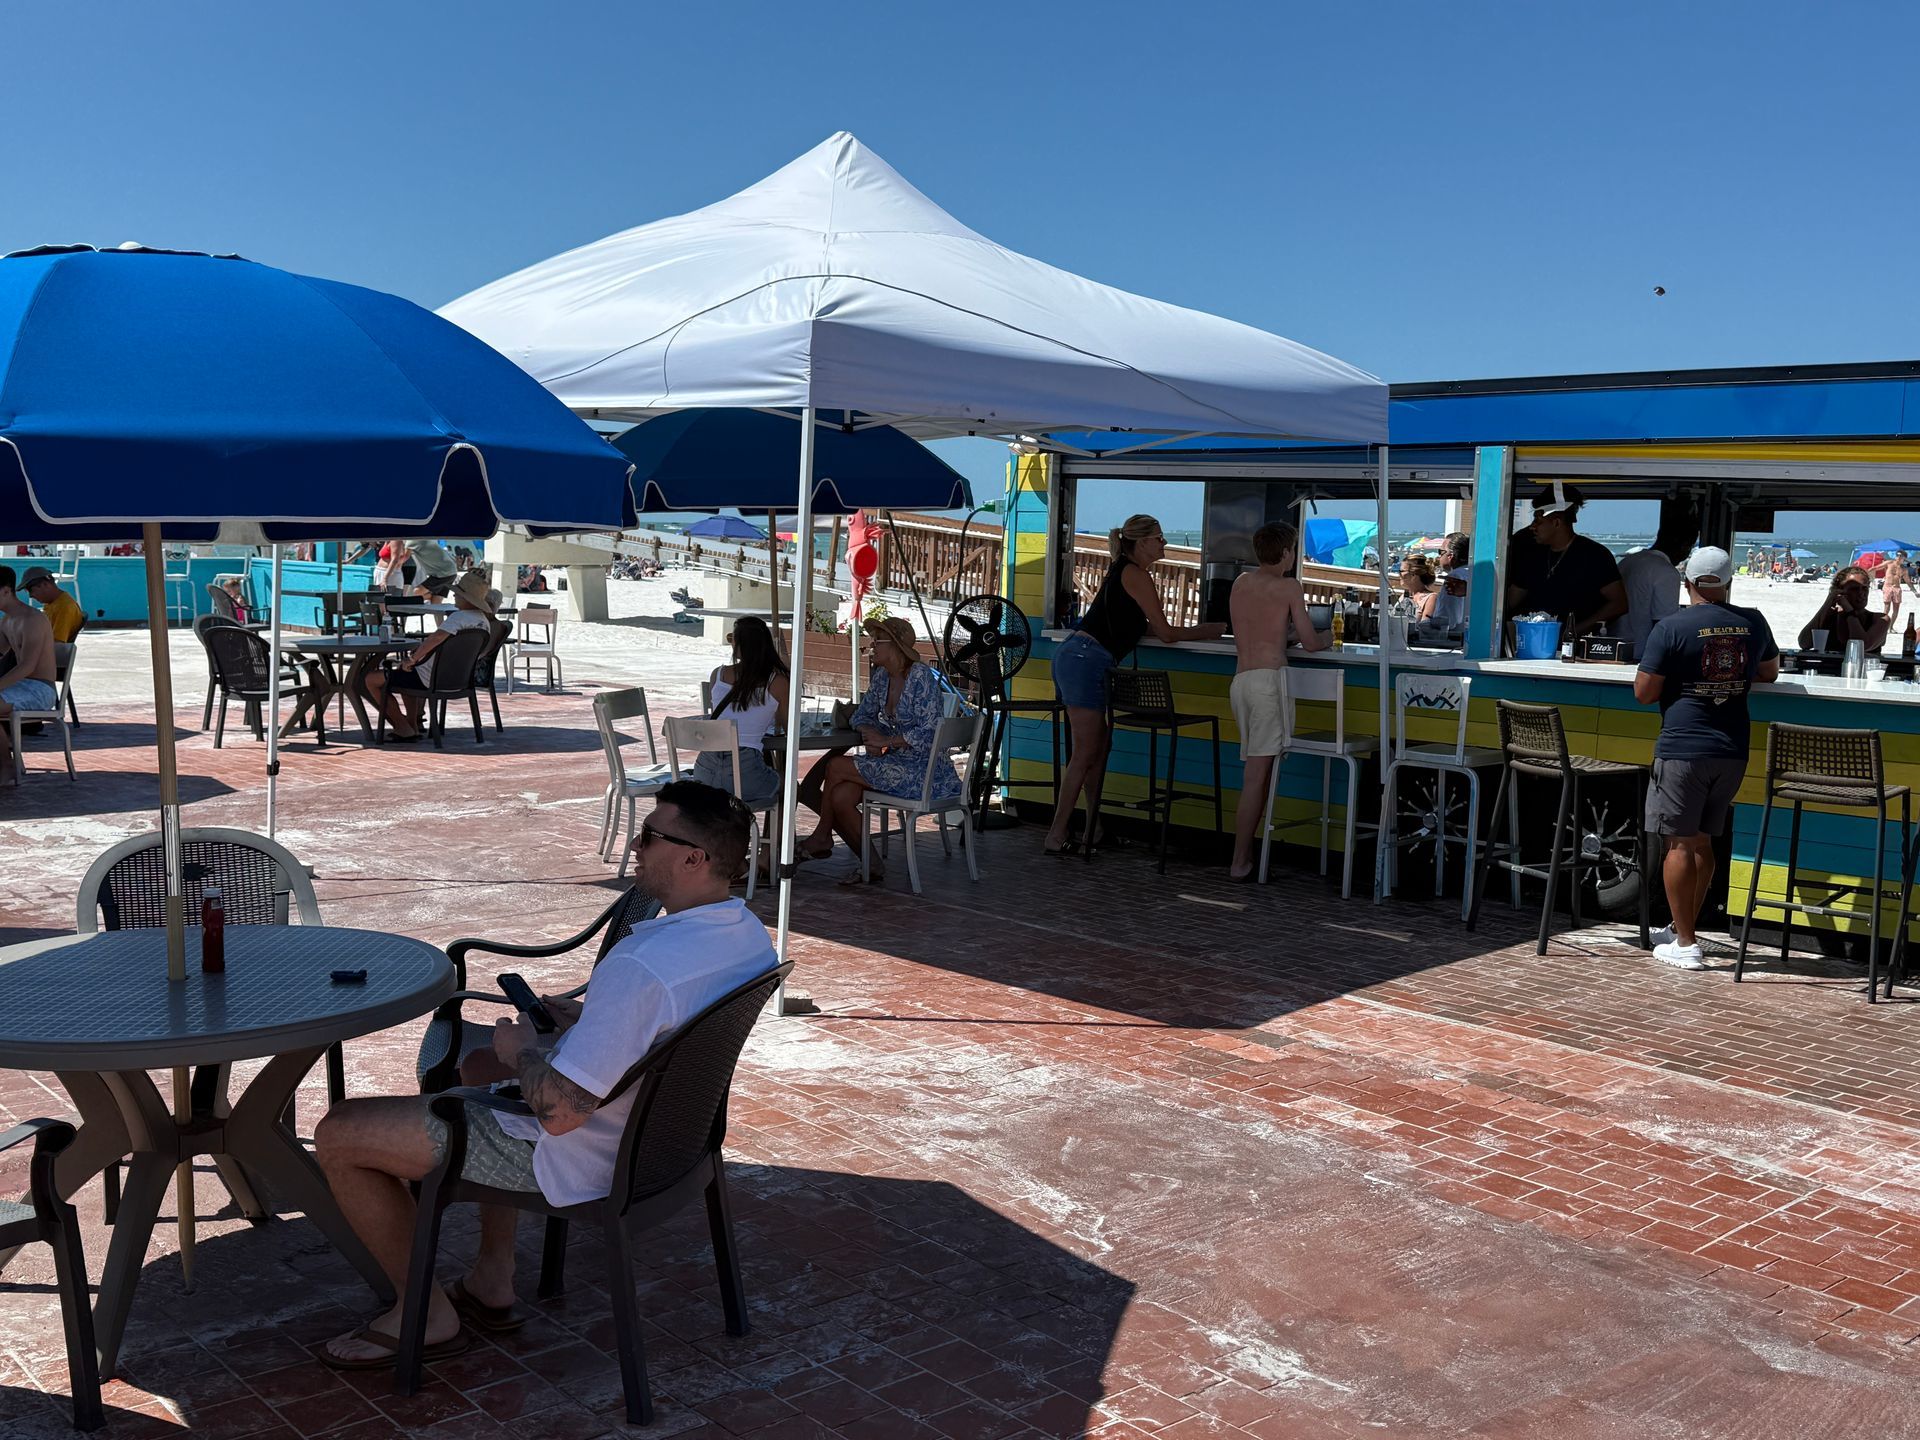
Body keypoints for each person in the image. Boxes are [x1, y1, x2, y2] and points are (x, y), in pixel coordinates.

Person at [313, 781, 775, 1368]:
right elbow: (673, 1022)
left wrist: (524, 1052)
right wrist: (594, 1018)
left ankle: (424, 1313)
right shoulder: (744, 934)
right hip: (670, 1147)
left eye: (651, 836)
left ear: (693, 858)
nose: (635, 845)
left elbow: (558, 1116)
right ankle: (492, 1280)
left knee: (342, 1131)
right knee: (476, 1064)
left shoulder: (641, 965)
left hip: (583, 1158)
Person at [1044, 515, 1227, 857]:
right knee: (1086, 752)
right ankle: (1056, 834)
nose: (1164, 544)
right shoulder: (1135, 574)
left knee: (1096, 751)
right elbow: (1167, 632)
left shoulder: (1124, 571)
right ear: (1141, 543)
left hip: (1082, 657)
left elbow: (1143, 628)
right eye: (1159, 539)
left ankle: (1093, 828)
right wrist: (1211, 629)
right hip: (1086, 660)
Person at [1633, 548, 1779, 969]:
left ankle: (1685, 944)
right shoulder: (1753, 621)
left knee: (1678, 841)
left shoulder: (1673, 626)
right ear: (1729, 582)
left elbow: (1644, 693)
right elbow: (1769, 672)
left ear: (1688, 582)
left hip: (1683, 747)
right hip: (1733, 748)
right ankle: (1684, 929)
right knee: (1702, 840)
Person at [798, 616, 955, 884]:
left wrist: (886, 741)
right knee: (840, 796)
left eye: (877, 640)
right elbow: (862, 714)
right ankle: (871, 865)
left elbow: (931, 734)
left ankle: (822, 835)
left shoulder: (920, 677)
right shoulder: (882, 677)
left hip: (925, 771)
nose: (871, 645)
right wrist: (866, 731)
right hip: (896, 765)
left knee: (834, 766)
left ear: (894, 646)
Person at [1227, 523, 1326, 881]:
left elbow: (1258, 628)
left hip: (1241, 682)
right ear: (1286, 553)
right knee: (1256, 777)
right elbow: (1311, 642)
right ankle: (1240, 860)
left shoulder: (1241, 583)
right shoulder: (1289, 586)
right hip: (1270, 683)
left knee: (1256, 774)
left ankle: (1248, 854)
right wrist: (1330, 636)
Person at [365, 570, 494, 741]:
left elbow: (436, 638)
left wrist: (413, 658)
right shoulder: (484, 623)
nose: (454, 597)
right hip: (458, 680)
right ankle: (412, 725)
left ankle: (402, 726)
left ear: (467, 599)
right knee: (407, 673)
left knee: (370, 680)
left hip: (429, 678)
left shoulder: (459, 617)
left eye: (458, 594)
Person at [1505, 482, 1627, 639]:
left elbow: (1619, 604)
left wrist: (1574, 631)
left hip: (1575, 649)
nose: (1532, 527)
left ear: (1556, 522)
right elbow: (1510, 601)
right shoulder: (1531, 554)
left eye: (1538, 521)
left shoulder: (1595, 556)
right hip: (1531, 642)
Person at [698, 616, 789, 808]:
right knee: (789, 785)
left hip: (705, 772)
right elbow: (788, 726)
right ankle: (779, 837)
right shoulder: (777, 682)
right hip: (744, 772)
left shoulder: (718, 674)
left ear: (738, 646)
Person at [0, 566, 59, 784]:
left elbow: (27, 666)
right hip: (19, 687)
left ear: (6, 591)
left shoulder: (34, 619)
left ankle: (7, 766)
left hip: (40, 689)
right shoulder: (6, 621)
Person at [1613, 508, 1697, 657]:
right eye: (1689, 547)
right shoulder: (1667, 572)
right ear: (1683, 544)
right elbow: (1663, 625)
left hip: (1612, 646)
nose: (1686, 554)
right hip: (1640, 653)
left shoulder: (1627, 561)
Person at [1797, 565, 1887, 654]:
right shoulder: (1831, 617)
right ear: (1840, 591)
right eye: (1854, 589)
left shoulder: (1879, 619)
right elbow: (1804, 643)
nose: (1861, 593)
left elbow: (1861, 646)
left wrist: (1850, 613)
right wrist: (1827, 604)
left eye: (1865, 588)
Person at [18, 566, 84, 642]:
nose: (30, 595)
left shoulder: (64, 607)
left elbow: (57, 644)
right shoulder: (52, 603)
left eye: (31, 590)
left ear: (45, 584)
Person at [1430, 532, 1470, 629]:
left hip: (1455, 636)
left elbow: (1447, 618)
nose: (1439, 556)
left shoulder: (1455, 577)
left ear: (1450, 556)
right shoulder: (1475, 574)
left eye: (1441, 552)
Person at [1397, 555, 1439, 621]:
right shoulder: (1404, 597)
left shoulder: (1431, 598)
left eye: (1401, 571)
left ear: (1414, 574)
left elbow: (1425, 625)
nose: (1398, 574)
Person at [1885, 551, 1910, 627]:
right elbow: (1876, 567)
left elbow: (1908, 581)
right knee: (1886, 608)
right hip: (1888, 587)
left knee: (1896, 610)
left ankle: (1891, 626)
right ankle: (1883, 626)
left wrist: (1914, 591)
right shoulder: (1889, 563)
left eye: (1901, 556)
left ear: (1904, 558)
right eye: (1897, 555)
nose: (1898, 557)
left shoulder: (1904, 569)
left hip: (1897, 588)